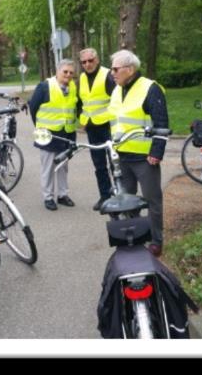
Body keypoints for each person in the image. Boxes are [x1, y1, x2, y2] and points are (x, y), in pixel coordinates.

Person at [107, 49, 168, 258]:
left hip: (144, 158)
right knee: (127, 200)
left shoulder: (150, 89)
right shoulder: (117, 90)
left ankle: (156, 241)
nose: (112, 73)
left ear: (130, 69)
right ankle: (135, 235)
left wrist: (156, 151)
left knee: (152, 201)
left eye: (115, 69)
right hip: (122, 156)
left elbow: (161, 123)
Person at [28, 59, 78, 211]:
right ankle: (48, 197)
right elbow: (33, 107)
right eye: (65, 72)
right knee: (48, 168)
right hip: (46, 134)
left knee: (63, 166)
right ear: (57, 71)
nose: (68, 75)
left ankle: (63, 195)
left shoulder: (73, 87)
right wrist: (39, 127)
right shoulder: (44, 87)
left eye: (71, 72)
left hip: (67, 133)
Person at [77, 48, 115, 211]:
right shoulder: (81, 78)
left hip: (109, 127)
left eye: (90, 60)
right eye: (84, 62)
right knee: (99, 165)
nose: (87, 64)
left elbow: (118, 99)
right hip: (92, 129)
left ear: (97, 60)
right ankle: (105, 197)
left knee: (116, 164)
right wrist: (82, 119)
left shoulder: (108, 75)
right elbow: (79, 103)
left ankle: (121, 196)